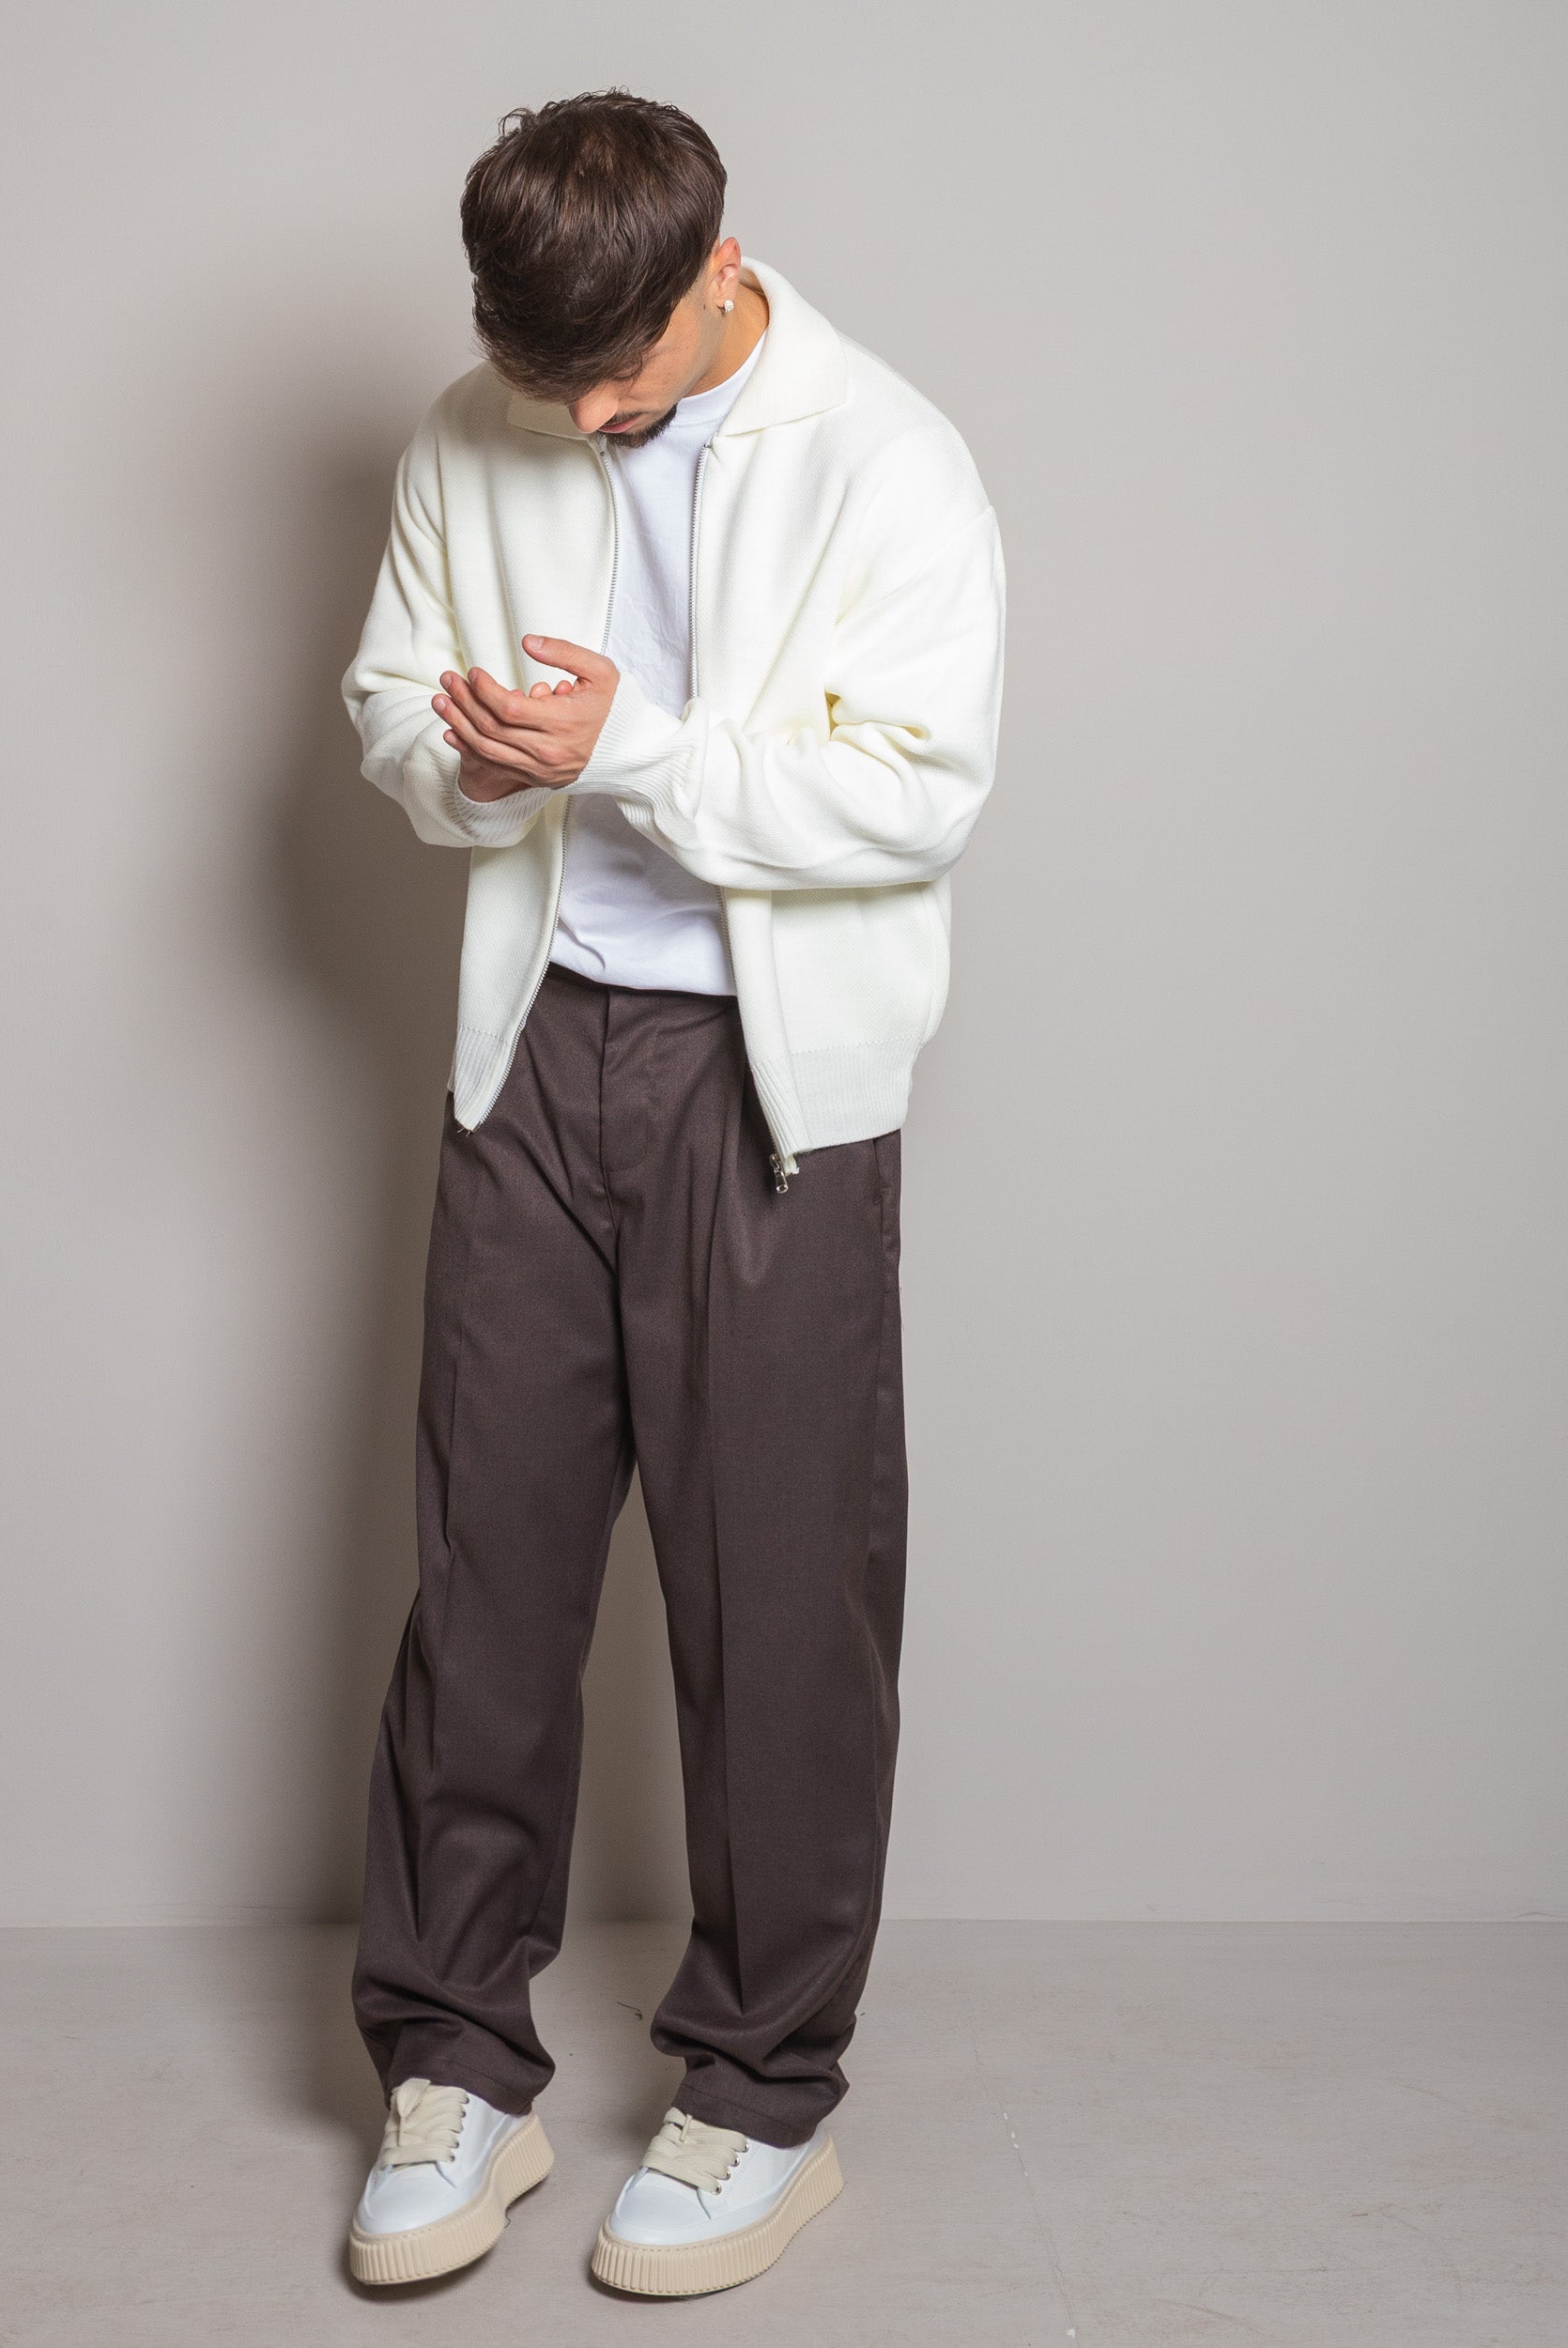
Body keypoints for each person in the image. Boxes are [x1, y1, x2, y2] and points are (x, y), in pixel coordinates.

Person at [338, 89, 1006, 2297]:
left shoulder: (884, 455)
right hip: (529, 1050)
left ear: (720, 270)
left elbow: (916, 791)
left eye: (615, 381)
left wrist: (621, 749)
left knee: (778, 1591)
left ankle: (759, 2090)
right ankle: (456, 2060)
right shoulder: (480, 426)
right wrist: (463, 755)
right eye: (544, 384)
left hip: (770, 1079)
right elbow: (387, 704)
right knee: (486, 1579)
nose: (581, 423)